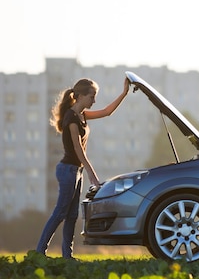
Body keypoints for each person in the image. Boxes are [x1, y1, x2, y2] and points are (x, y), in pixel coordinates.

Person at [36, 77, 130, 259]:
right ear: (80, 96)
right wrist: (92, 173)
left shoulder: (82, 115)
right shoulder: (71, 118)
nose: (94, 101)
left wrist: (124, 92)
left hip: (75, 171)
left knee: (72, 215)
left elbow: (107, 112)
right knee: (60, 212)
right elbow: (78, 149)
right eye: (92, 96)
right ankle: (39, 252)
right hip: (67, 170)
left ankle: (67, 256)